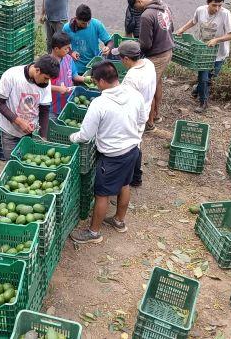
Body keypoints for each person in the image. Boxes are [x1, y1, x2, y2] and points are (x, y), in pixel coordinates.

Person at [69, 61, 146, 244]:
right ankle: (119, 221)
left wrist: (72, 137)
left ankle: (94, 233)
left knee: (102, 193)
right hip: (132, 150)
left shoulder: (100, 103)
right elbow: (142, 119)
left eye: (96, 82)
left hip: (112, 156)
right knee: (124, 184)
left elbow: (86, 135)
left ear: (102, 81)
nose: (96, 85)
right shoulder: (135, 95)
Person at [175, 0, 231, 113]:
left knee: (211, 78)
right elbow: (193, 21)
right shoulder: (200, 10)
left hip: (219, 54)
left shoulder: (225, 14)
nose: (217, 8)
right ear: (208, 2)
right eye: (214, 5)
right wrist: (182, 29)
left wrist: (216, 40)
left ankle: (197, 90)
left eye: (220, 5)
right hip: (203, 51)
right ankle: (203, 103)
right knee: (203, 77)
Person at [0, 55, 60, 159]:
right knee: (13, 165)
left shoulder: (45, 84)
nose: (47, 82)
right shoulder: (12, 75)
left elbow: (44, 111)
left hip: (31, 133)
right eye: (46, 78)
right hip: (10, 133)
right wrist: (19, 122)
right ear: (37, 70)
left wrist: (43, 137)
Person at [112, 41, 157, 188]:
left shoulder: (132, 77)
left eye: (120, 58)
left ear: (125, 59)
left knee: (132, 146)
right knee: (136, 142)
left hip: (135, 115)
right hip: (145, 107)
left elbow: (124, 101)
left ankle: (135, 177)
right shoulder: (148, 63)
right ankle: (135, 176)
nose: (120, 60)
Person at [129, 0, 174, 129]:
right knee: (157, 82)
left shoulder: (147, 15)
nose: (136, 9)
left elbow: (146, 44)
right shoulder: (164, 6)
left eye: (135, 6)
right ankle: (156, 114)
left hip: (156, 55)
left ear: (140, 1)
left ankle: (149, 123)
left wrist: (135, 47)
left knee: (148, 87)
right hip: (167, 50)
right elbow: (171, 28)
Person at [62, 4, 113, 75]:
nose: (86, 25)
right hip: (76, 67)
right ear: (76, 18)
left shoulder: (96, 24)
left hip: (94, 65)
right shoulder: (67, 28)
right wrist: (71, 52)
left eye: (88, 22)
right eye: (83, 23)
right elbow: (62, 45)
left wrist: (108, 48)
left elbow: (109, 41)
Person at [49, 31, 86, 115]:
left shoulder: (68, 58)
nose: (68, 50)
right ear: (56, 49)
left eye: (69, 48)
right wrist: (59, 89)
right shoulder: (48, 64)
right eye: (65, 48)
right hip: (53, 106)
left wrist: (87, 79)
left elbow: (74, 76)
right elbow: (43, 86)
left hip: (68, 102)